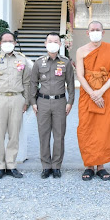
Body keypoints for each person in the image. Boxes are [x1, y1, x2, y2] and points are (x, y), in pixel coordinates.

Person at [76, 21, 110, 181]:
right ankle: (89, 165)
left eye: (98, 30)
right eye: (92, 30)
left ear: (103, 32)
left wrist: (100, 92)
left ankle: (101, 166)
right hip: (87, 94)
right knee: (86, 129)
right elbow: (80, 75)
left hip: (105, 94)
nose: (95, 32)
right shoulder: (81, 51)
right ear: (87, 33)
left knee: (103, 130)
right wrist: (92, 94)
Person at [0, 32, 30, 179]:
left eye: (11, 41)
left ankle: (11, 165)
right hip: (0, 98)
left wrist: (26, 101)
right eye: (5, 41)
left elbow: (26, 81)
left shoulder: (22, 59)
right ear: (0, 43)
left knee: (14, 134)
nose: (8, 43)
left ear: (15, 43)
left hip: (17, 98)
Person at [30, 32, 75, 179]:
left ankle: (56, 166)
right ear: (45, 43)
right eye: (50, 41)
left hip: (60, 102)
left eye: (56, 41)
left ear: (60, 44)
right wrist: (33, 102)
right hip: (42, 102)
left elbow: (70, 84)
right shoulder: (38, 62)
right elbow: (33, 83)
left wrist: (70, 102)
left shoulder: (65, 62)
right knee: (43, 135)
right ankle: (46, 166)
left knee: (59, 135)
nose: (53, 44)